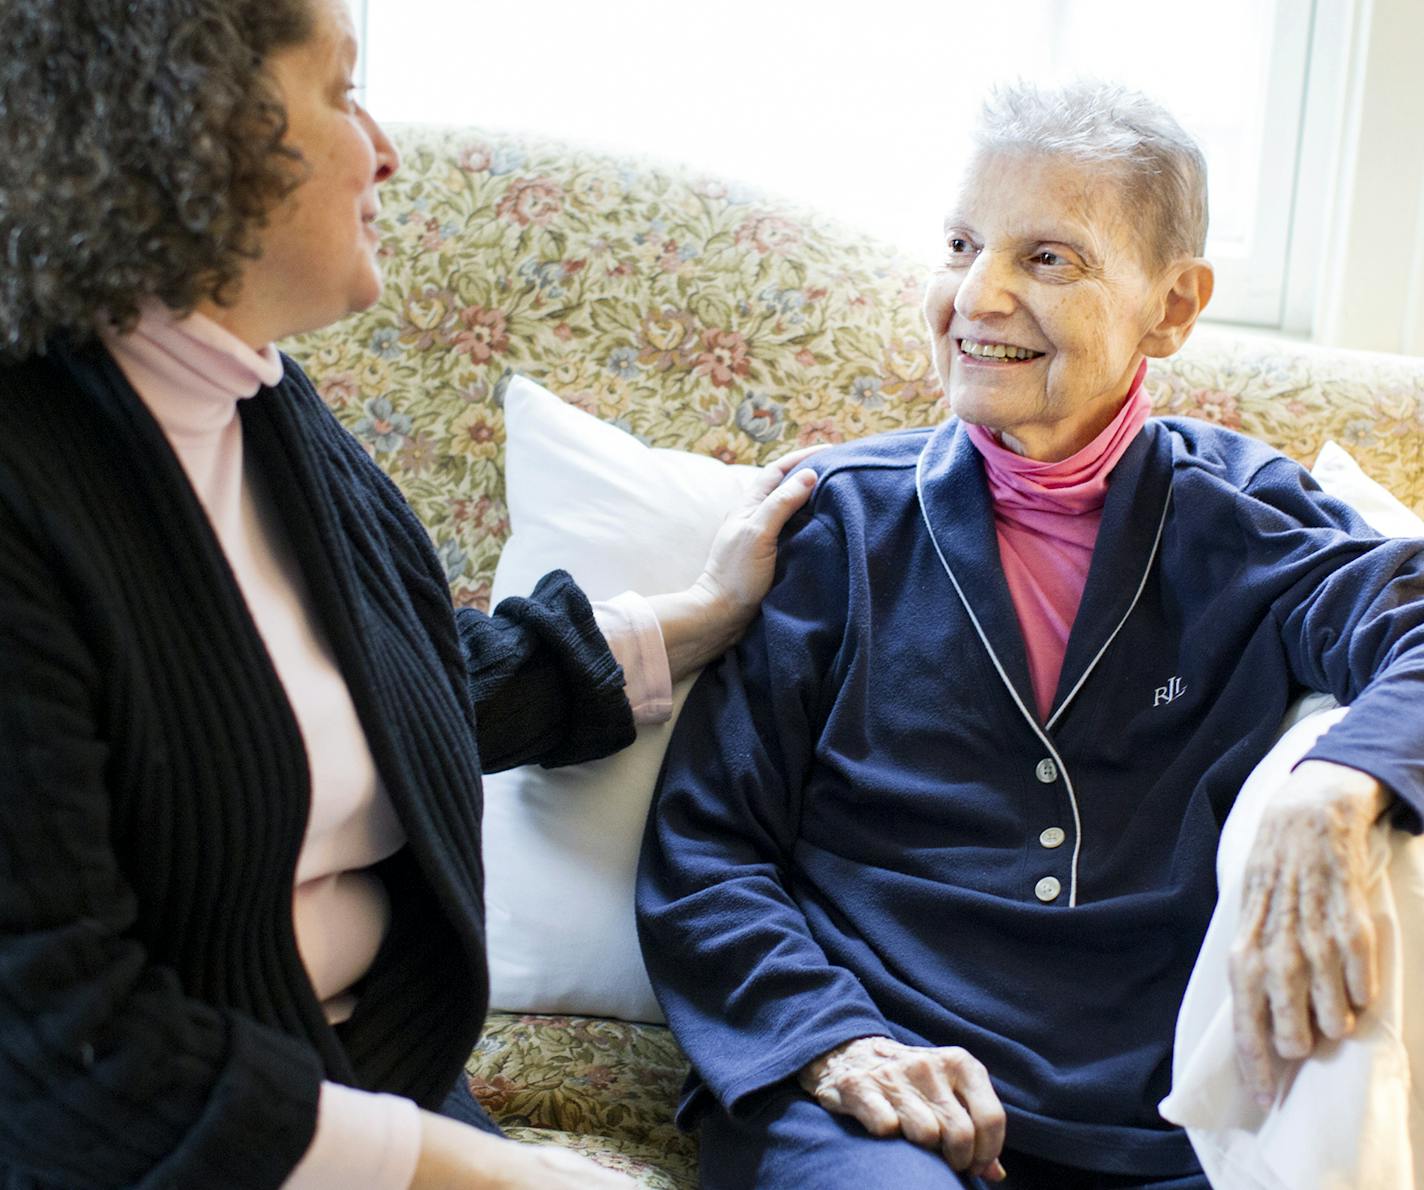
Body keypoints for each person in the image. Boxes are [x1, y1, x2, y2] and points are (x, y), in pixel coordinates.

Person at [0, 1, 820, 1187]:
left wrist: (697, 615)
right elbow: (66, 1064)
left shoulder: (261, 402)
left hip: (379, 1083)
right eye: (340, 93)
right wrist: (494, 1175)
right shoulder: (30, 493)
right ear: (179, 125)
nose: (383, 148)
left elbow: (404, 688)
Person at [637, 80, 1424, 1189]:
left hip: (1157, 1127)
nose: (977, 293)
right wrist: (827, 1039)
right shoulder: (836, 523)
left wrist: (1338, 779)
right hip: (873, 1103)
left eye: (1047, 257)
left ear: (1172, 304)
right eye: (961, 243)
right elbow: (708, 845)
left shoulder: (1245, 517)